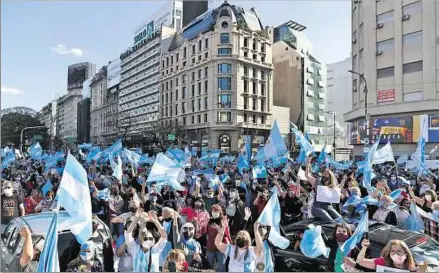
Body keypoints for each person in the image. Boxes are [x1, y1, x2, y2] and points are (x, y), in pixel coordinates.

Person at [206, 204, 231, 272]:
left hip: (221, 248)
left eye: (216, 212)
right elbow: (206, 233)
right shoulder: (209, 221)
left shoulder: (224, 221)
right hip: (211, 248)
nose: (214, 213)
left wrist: (220, 229)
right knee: (208, 266)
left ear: (220, 213)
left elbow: (227, 235)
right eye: (213, 212)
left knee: (221, 268)